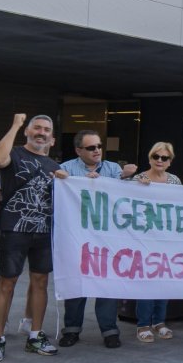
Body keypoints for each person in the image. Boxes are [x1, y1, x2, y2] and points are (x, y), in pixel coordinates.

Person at [0, 114, 63, 363]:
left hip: (43, 232)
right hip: (15, 230)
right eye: (37, 128)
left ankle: (35, 335)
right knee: (7, 283)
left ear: (52, 137)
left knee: (40, 282)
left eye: (46, 130)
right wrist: (15, 124)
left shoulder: (55, 166)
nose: (41, 132)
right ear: (28, 132)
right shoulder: (15, 153)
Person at [56, 130, 136, 349]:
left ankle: (110, 331)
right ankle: (71, 330)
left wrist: (129, 177)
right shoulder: (66, 169)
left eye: (99, 146)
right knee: (77, 283)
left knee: (107, 284)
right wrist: (78, 182)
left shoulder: (112, 169)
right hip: (77, 238)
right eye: (91, 147)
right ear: (78, 150)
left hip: (107, 239)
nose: (97, 151)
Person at [131, 141, 182, 343]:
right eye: (156, 157)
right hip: (144, 239)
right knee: (146, 282)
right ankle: (143, 324)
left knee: (164, 281)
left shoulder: (175, 181)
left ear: (170, 161)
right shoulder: (139, 178)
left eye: (164, 158)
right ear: (150, 158)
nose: (160, 161)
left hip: (167, 240)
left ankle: (159, 321)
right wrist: (137, 188)